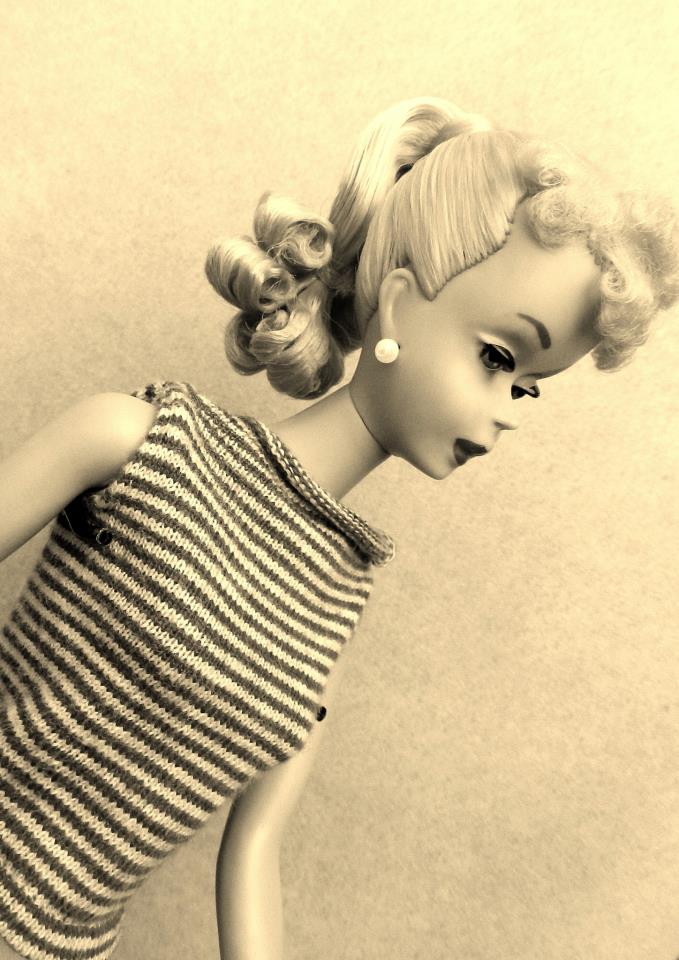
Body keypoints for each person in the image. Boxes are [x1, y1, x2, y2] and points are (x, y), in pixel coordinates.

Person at [0, 97, 677, 960]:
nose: (508, 411)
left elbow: (254, 853)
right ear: (396, 306)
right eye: (496, 357)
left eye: (526, 386)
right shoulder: (141, 442)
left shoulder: (332, 600)